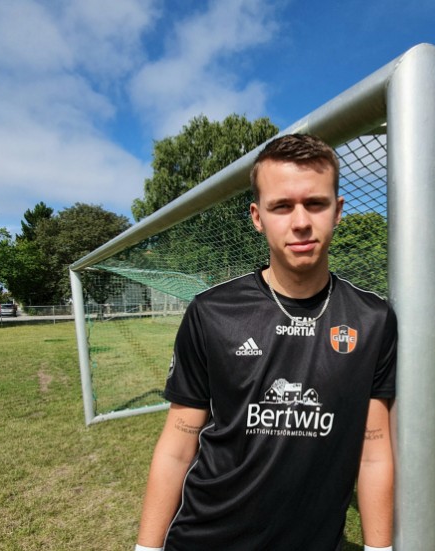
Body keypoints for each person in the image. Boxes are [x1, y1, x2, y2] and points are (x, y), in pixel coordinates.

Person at [135, 133, 397, 551]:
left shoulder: (372, 319)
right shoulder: (211, 312)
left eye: (315, 203)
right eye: (282, 206)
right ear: (258, 217)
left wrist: (379, 550)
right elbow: (178, 445)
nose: (301, 221)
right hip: (206, 538)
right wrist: (146, 548)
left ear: (338, 211)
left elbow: (374, 452)